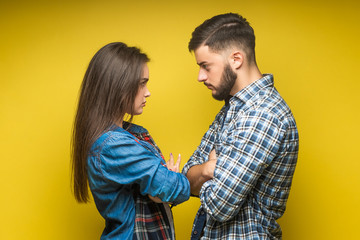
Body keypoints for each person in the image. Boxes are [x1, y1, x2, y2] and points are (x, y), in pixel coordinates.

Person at [182, 13, 299, 239]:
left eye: (206, 66)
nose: (199, 76)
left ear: (236, 59)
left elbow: (219, 205)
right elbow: (188, 173)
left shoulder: (263, 114)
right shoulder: (233, 109)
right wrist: (208, 169)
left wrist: (204, 175)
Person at [71, 42, 190, 240]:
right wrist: (173, 180)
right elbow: (171, 189)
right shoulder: (113, 145)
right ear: (117, 86)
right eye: (141, 83)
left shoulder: (131, 134)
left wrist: (165, 185)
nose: (148, 92)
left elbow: (162, 190)